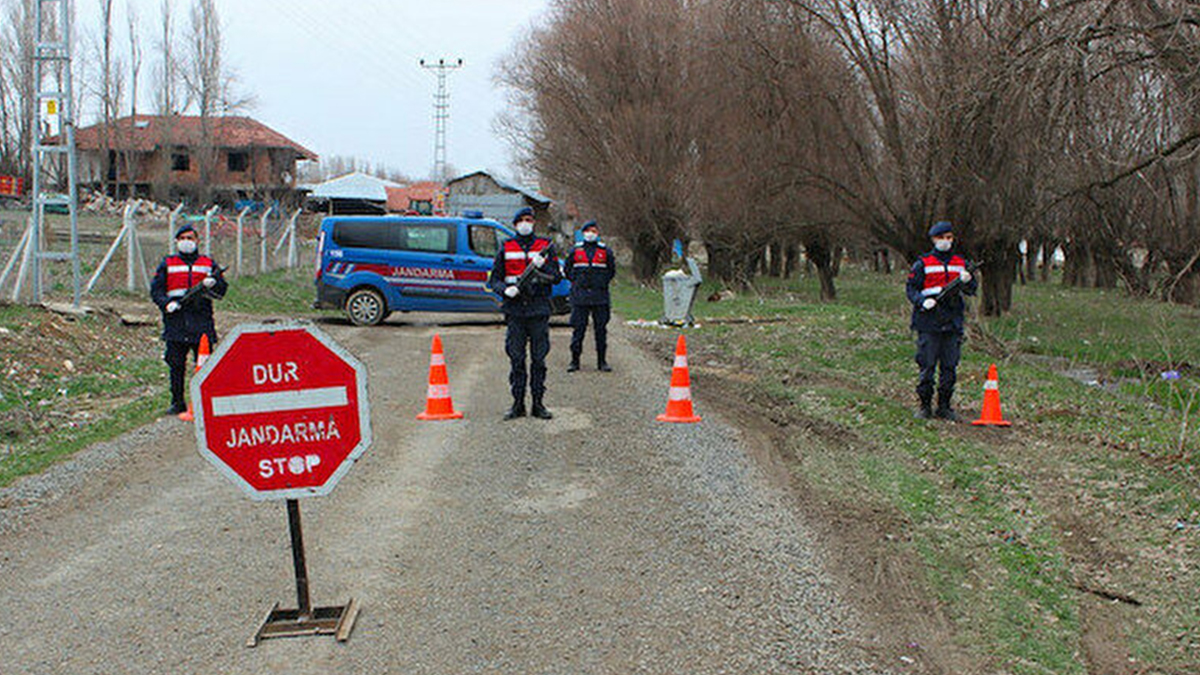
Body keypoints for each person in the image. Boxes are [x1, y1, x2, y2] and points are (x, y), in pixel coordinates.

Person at [488, 207, 563, 420]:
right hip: (516, 311)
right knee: (516, 359)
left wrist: (543, 270)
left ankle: (538, 404)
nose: (525, 223)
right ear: (515, 224)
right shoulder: (506, 247)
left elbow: (557, 277)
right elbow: (494, 280)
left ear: (534, 223)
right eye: (520, 220)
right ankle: (518, 404)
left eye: (528, 219)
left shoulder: (544, 247)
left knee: (539, 360)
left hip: (538, 309)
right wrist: (505, 290)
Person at [150, 224, 228, 415]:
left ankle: (206, 403)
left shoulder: (208, 264)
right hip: (176, 322)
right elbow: (156, 290)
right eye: (183, 238)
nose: (187, 242)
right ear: (177, 241)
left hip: (201, 322)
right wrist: (167, 303)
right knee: (176, 365)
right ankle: (177, 402)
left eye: (190, 238)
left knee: (205, 365)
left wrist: (213, 283)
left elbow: (222, 291)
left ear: (197, 241)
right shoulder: (167, 264)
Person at [906, 220, 977, 421]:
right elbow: (911, 289)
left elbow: (972, 290)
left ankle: (945, 406)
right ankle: (925, 406)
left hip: (952, 321)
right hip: (929, 321)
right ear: (934, 240)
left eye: (949, 238)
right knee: (927, 365)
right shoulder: (923, 263)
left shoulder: (960, 263)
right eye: (942, 238)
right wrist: (922, 301)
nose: (946, 242)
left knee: (950, 366)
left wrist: (968, 280)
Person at [564, 220, 617, 372]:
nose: (590, 233)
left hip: (600, 297)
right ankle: (574, 361)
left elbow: (611, 271)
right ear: (583, 233)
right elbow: (568, 270)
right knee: (578, 330)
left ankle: (602, 361)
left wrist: (600, 282)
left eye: (593, 231)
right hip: (580, 297)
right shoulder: (575, 250)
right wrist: (577, 281)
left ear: (597, 233)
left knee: (601, 330)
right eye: (587, 231)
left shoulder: (606, 251)